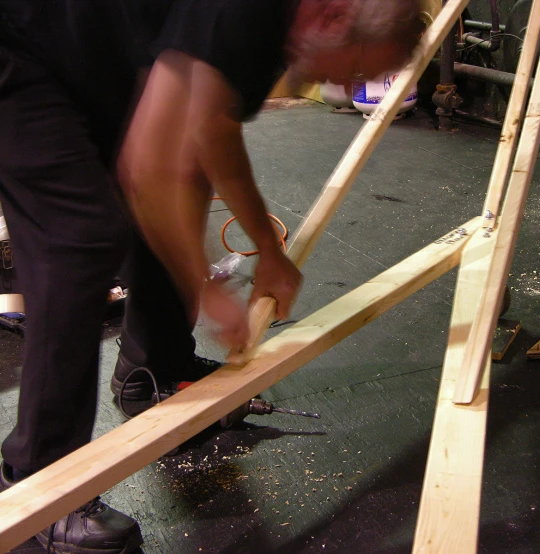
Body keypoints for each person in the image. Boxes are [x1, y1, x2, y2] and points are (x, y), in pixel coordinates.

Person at [0, 0, 422, 552]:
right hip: (19, 47)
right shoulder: (244, 12)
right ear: (334, 17)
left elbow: (208, 136)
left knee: (181, 178)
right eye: (359, 68)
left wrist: (268, 251)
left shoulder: (288, 29)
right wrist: (209, 287)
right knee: (80, 239)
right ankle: (37, 488)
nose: (348, 85)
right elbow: (149, 169)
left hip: (87, 53)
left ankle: (152, 371)